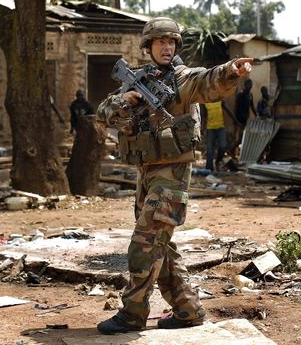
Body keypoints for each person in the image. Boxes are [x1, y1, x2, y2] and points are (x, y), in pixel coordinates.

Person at [96, 17, 252, 335]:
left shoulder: (182, 79)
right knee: (161, 248)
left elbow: (209, 81)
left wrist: (231, 70)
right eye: (160, 42)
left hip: (173, 173)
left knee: (144, 244)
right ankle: (188, 310)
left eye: (172, 42)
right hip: (146, 171)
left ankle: (132, 313)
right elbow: (103, 115)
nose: (167, 47)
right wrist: (123, 101)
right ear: (149, 46)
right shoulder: (136, 79)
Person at [201, 100, 229, 172]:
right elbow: (204, 116)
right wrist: (202, 128)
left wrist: (235, 120)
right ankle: (209, 169)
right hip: (210, 128)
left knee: (223, 146)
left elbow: (227, 110)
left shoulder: (220, 99)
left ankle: (218, 161)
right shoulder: (205, 102)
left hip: (221, 127)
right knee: (210, 149)